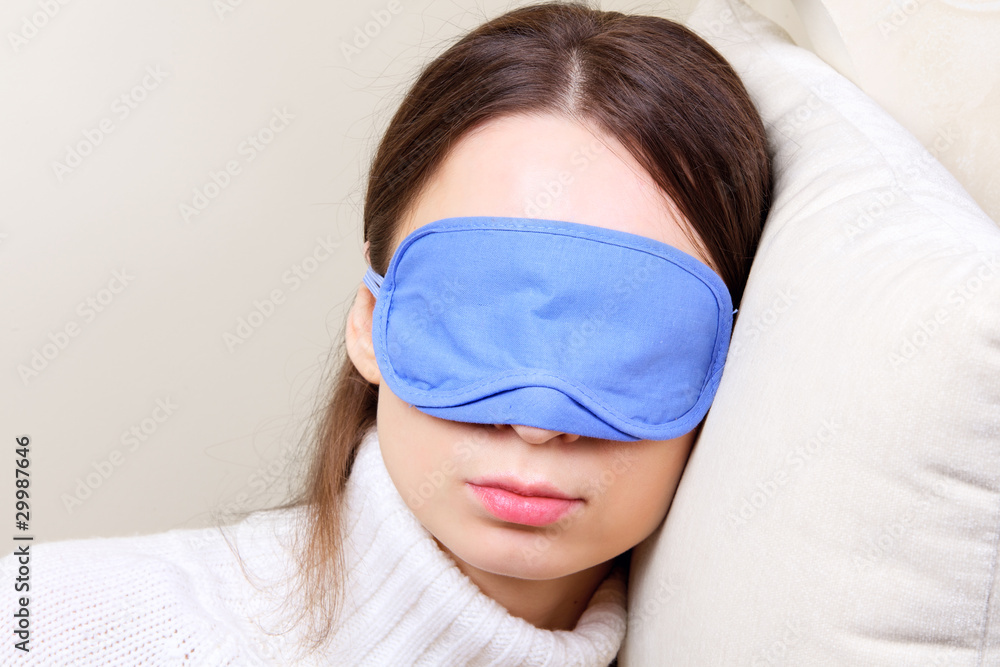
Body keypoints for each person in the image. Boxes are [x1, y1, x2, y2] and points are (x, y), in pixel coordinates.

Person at [0, 2, 771, 665]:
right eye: (478, 312)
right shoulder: (51, 626)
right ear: (369, 323)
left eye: (621, 334)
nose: (536, 423)